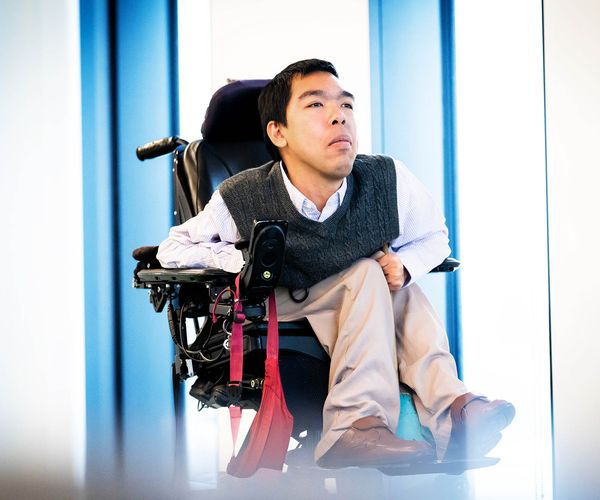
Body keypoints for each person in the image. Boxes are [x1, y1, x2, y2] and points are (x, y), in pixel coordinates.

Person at [157, 59, 515, 469]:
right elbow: (174, 247)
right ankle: (354, 427)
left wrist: (407, 264)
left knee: (397, 283)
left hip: (352, 297)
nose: (338, 116)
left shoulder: (386, 179)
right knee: (367, 273)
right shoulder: (244, 194)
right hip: (279, 301)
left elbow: (435, 236)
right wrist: (241, 257)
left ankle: (455, 409)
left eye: (346, 106)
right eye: (315, 106)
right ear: (278, 133)